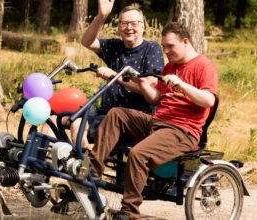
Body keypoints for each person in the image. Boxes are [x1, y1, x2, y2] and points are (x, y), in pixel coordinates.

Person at [90, 22, 218, 220]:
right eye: (163, 46)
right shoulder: (170, 67)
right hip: (157, 122)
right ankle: (93, 171)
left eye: (169, 46)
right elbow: (154, 99)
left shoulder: (204, 65)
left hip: (183, 131)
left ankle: (129, 212)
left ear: (185, 42)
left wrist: (183, 86)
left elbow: (209, 100)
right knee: (116, 114)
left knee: (137, 154)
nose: (165, 51)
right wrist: (140, 81)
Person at [43, 1, 164, 148]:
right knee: (52, 118)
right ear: (119, 27)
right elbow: (87, 42)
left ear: (143, 26)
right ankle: (38, 164)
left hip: (132, 117)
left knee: (78, 124)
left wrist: (115, 76)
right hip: (105, 111)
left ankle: (83, 167)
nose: (129, 28)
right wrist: (102, 16)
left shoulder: (151, 48)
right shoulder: (115, 46)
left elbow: (151, 85)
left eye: (134, 23)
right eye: (124, 23)